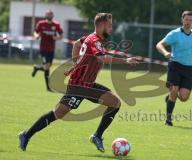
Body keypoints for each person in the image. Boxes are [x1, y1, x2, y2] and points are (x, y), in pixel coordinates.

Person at [19, 13, 137, 152]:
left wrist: (76, 62)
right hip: (79, 86)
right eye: (110, 25)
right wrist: (126, 61)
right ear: (102, 25)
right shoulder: (95, 41)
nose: (111, 28)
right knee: (58, 113)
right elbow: (103, 58)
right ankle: (26, 135)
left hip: (87, 84)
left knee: (115, 103)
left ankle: (97, 136)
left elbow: (76, 44)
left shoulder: (90, 37)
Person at [156, 11, 192, 126]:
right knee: (174, 90)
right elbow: (159, 44)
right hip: (175, 65)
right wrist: (165, 53)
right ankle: (168, 120)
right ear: (182, 20)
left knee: (184, 98)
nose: (188, 22)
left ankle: (170, 97)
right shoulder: (174, 33)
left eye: (190, 20)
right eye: (186, 20)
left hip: (188, 68)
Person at [32, 9, 63, 92]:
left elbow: (61, 35)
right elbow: (35, 32)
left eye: (50, 14)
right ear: (45, 15)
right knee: (46, 66)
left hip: (51, 49)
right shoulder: (41, 24)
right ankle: (48, 88)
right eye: (48, 14)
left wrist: (57, 37)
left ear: (52, 15)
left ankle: (37, 68)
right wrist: (36, 36)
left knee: (48, 67)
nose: (49, 15)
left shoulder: (56, 25)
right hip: (43, 49)